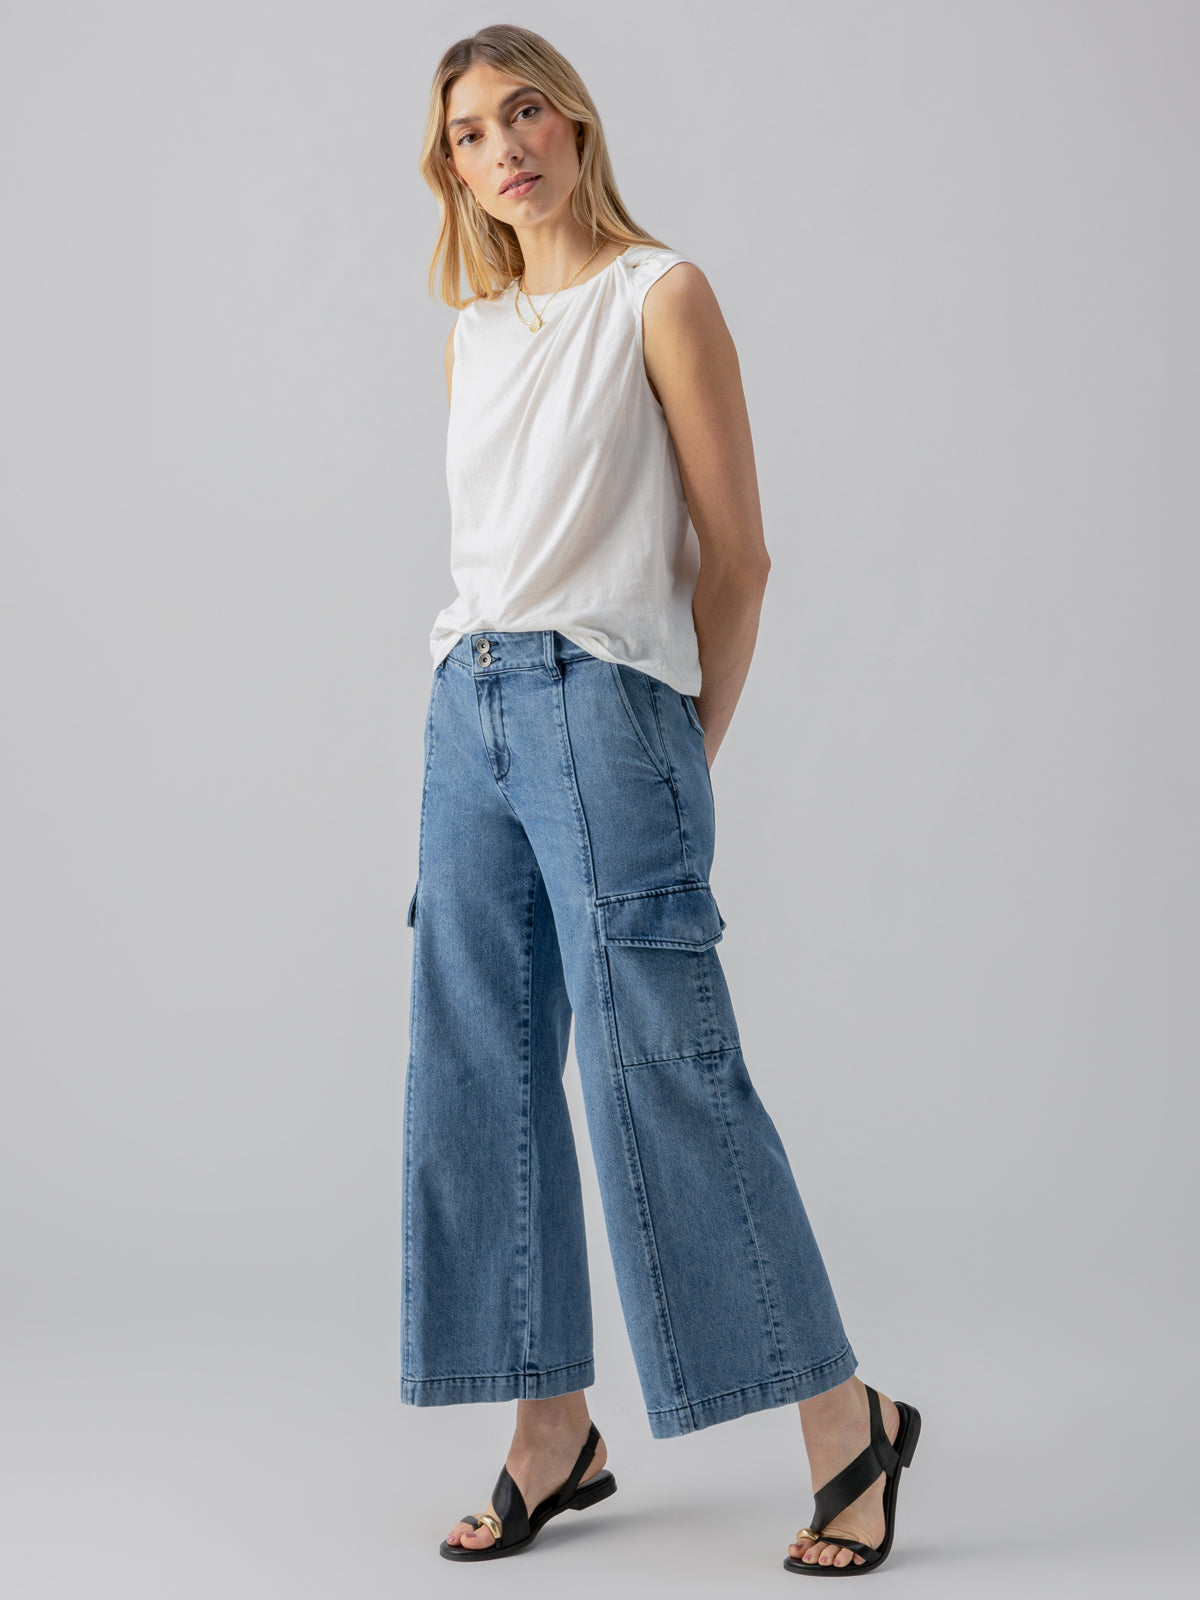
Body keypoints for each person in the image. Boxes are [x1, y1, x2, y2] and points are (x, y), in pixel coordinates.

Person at [404, 24, 921, 1575]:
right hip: (465, 709)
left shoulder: (661, 293)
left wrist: (681, 744)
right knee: (474, 1077)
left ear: (576, 125)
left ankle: (851, 1424)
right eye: (472, 134)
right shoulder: (477, 330)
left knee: (661, 1077)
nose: (506, 146)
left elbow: (737, 556)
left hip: (607, 706)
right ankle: (550, 1431)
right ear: (457, 175)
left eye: (527, 111)